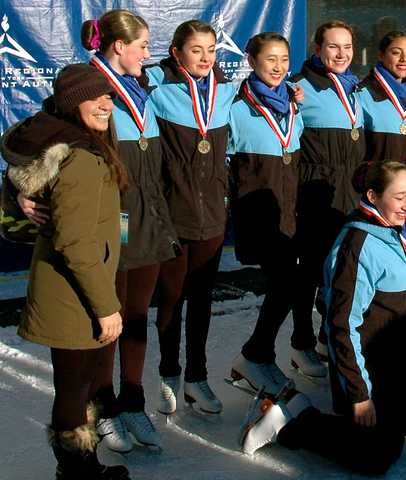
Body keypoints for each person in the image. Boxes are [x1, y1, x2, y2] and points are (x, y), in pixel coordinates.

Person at [238, 161, 406, 475]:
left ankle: (301, 409)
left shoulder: (394, 231)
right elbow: (340, 325)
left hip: (395, 368)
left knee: (404, 430)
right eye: (398, 197)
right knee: (375, 459)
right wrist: (359, 394)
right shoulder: (358, 246)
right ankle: (285, 425)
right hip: (368, 371)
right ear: (373, 195)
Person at [1, 64, 130, 479]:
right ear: (74, 105)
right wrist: (107, 307)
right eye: (96, 98)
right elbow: (75, 245)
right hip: (73, 293)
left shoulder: (77, 141)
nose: (105, 105)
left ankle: (84, 464)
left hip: (78, 288)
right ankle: (76, 472)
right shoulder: (79, 158)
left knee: (82, 384)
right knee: (74, 389)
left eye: (109, 97)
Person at [79, 10, 178, 451]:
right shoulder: (85, 87)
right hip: (112, 222)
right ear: (118, 46)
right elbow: (34, 137)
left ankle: (133, 400)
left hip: (150, 216)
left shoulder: (144, 87)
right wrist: (23, 190)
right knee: (109, 319)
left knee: (138, 314)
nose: (147, 53)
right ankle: (101, 407)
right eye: (141, 45)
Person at [145, 20, 236, 414]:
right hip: (172, 216)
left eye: (211, 50)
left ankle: (197, 379)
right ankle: (169, 374)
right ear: (177, 52)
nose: (205, 57)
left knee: (201, 300)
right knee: (171, 299)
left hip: (212, 217)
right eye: (196, 49)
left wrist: (293, 92)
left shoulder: (227, 92)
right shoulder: (157, 88)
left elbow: (272, 94)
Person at [227, 32, 307, 394]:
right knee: (286, 283)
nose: (278, 67)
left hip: (287, 210)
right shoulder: (236, 105)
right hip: (257, 212)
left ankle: (259, 355)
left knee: (288, 284)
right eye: (270, 59)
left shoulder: (292, 102)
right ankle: (255, 355)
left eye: (284, 59)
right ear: (252, 60)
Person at [290, 20, 365, 366]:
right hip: (316, 191)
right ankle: (300, 341)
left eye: (347, 47)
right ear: (317, 49)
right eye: (333, 47)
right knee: (310, 271)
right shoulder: (300, 88)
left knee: (342, 271)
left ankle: (325, 337)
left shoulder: (355, 88)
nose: (341, 54)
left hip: (350, 190)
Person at [358, 31, 406, 163]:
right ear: (381, 55)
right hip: (380, 180)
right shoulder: (363, 93)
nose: (404, 59)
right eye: (396, 53)